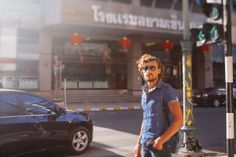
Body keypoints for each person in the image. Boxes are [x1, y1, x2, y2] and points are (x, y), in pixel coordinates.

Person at [134, 54, 183, 157]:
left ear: (159, 70)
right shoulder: (145, 91)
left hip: (161, 146)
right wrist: (138, 144)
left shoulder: (166, 90)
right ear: (142, 71)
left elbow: (179, 120)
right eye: (145, 68)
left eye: (152, 68)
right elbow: (146, 118)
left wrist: (160, 141)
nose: (148, 70)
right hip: (145, 143)